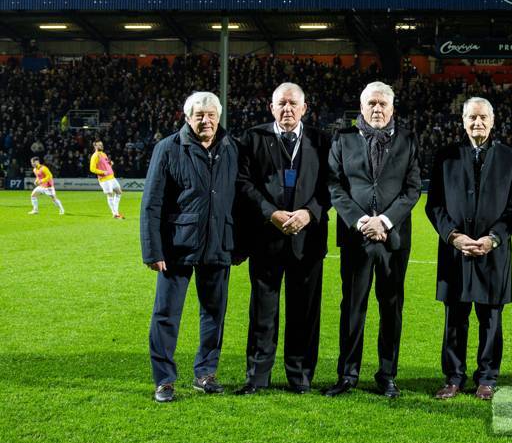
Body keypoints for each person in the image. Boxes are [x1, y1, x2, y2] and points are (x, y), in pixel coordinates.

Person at [140, 91, 239, 403]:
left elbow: (240, 200)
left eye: (211, 114)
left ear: (219, 117)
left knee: (214, 313)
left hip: (219, 244)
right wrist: (153, 251)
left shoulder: (231, 147)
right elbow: (151, 203)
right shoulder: (168, 148)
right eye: (199, 115)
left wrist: (237, 244)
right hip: (176, 248)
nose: (206, 120)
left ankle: (205, 374)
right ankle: (165, 380)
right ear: (187, 117)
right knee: (166, 315)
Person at [325, 81, 421, 399]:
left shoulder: (408, 139)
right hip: (357, 237)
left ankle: (387, 374)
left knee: (391, 307)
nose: (377, 109)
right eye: (371, 104)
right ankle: (348, 374)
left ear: (392, 108)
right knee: (353, 307)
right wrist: (362, 220)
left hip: (393, 239)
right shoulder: (343, 138)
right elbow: (335, 185)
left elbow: (412, 188)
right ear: (361, 107)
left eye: (382, 104)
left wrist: (386, 220)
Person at [426, 97, 512, 401]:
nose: (477, 122)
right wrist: (453, 236)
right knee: (455, 317)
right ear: (463, 121)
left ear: (492, 121)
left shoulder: (511, 157)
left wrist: (493, 238)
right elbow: (435, 205)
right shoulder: (445, 156)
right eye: (471, 118)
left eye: (483, 117)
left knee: (491, 319)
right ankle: (454, 376)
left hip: (493, 252)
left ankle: (487, 378)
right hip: (456, 251)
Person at [234, 83, 331, 395]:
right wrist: (269, 212)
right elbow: (243, 182)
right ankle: (257, 376)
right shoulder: (252, 138)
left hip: (309, 238)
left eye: (293, 104)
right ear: (271, 107)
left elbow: (333, 185)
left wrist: (309, 212)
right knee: (262, 311)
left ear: (304, 108)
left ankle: (300, 376)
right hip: (266, 237)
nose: (287, 109)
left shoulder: (322, 140)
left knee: (304, 312)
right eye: (281, 104)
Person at [90, 140, 124, 219]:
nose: (101, 146)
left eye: (101, 145)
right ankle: (115, 214)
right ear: (95, 146)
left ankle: (116, 211)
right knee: (110, 194)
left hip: (111, 177)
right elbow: (92, 169)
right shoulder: (95, 156)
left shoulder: (103, 154)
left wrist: (110, 163)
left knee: (119, 192)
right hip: (104, 179)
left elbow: (106, 163)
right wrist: (102, 172)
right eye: (99, 145)